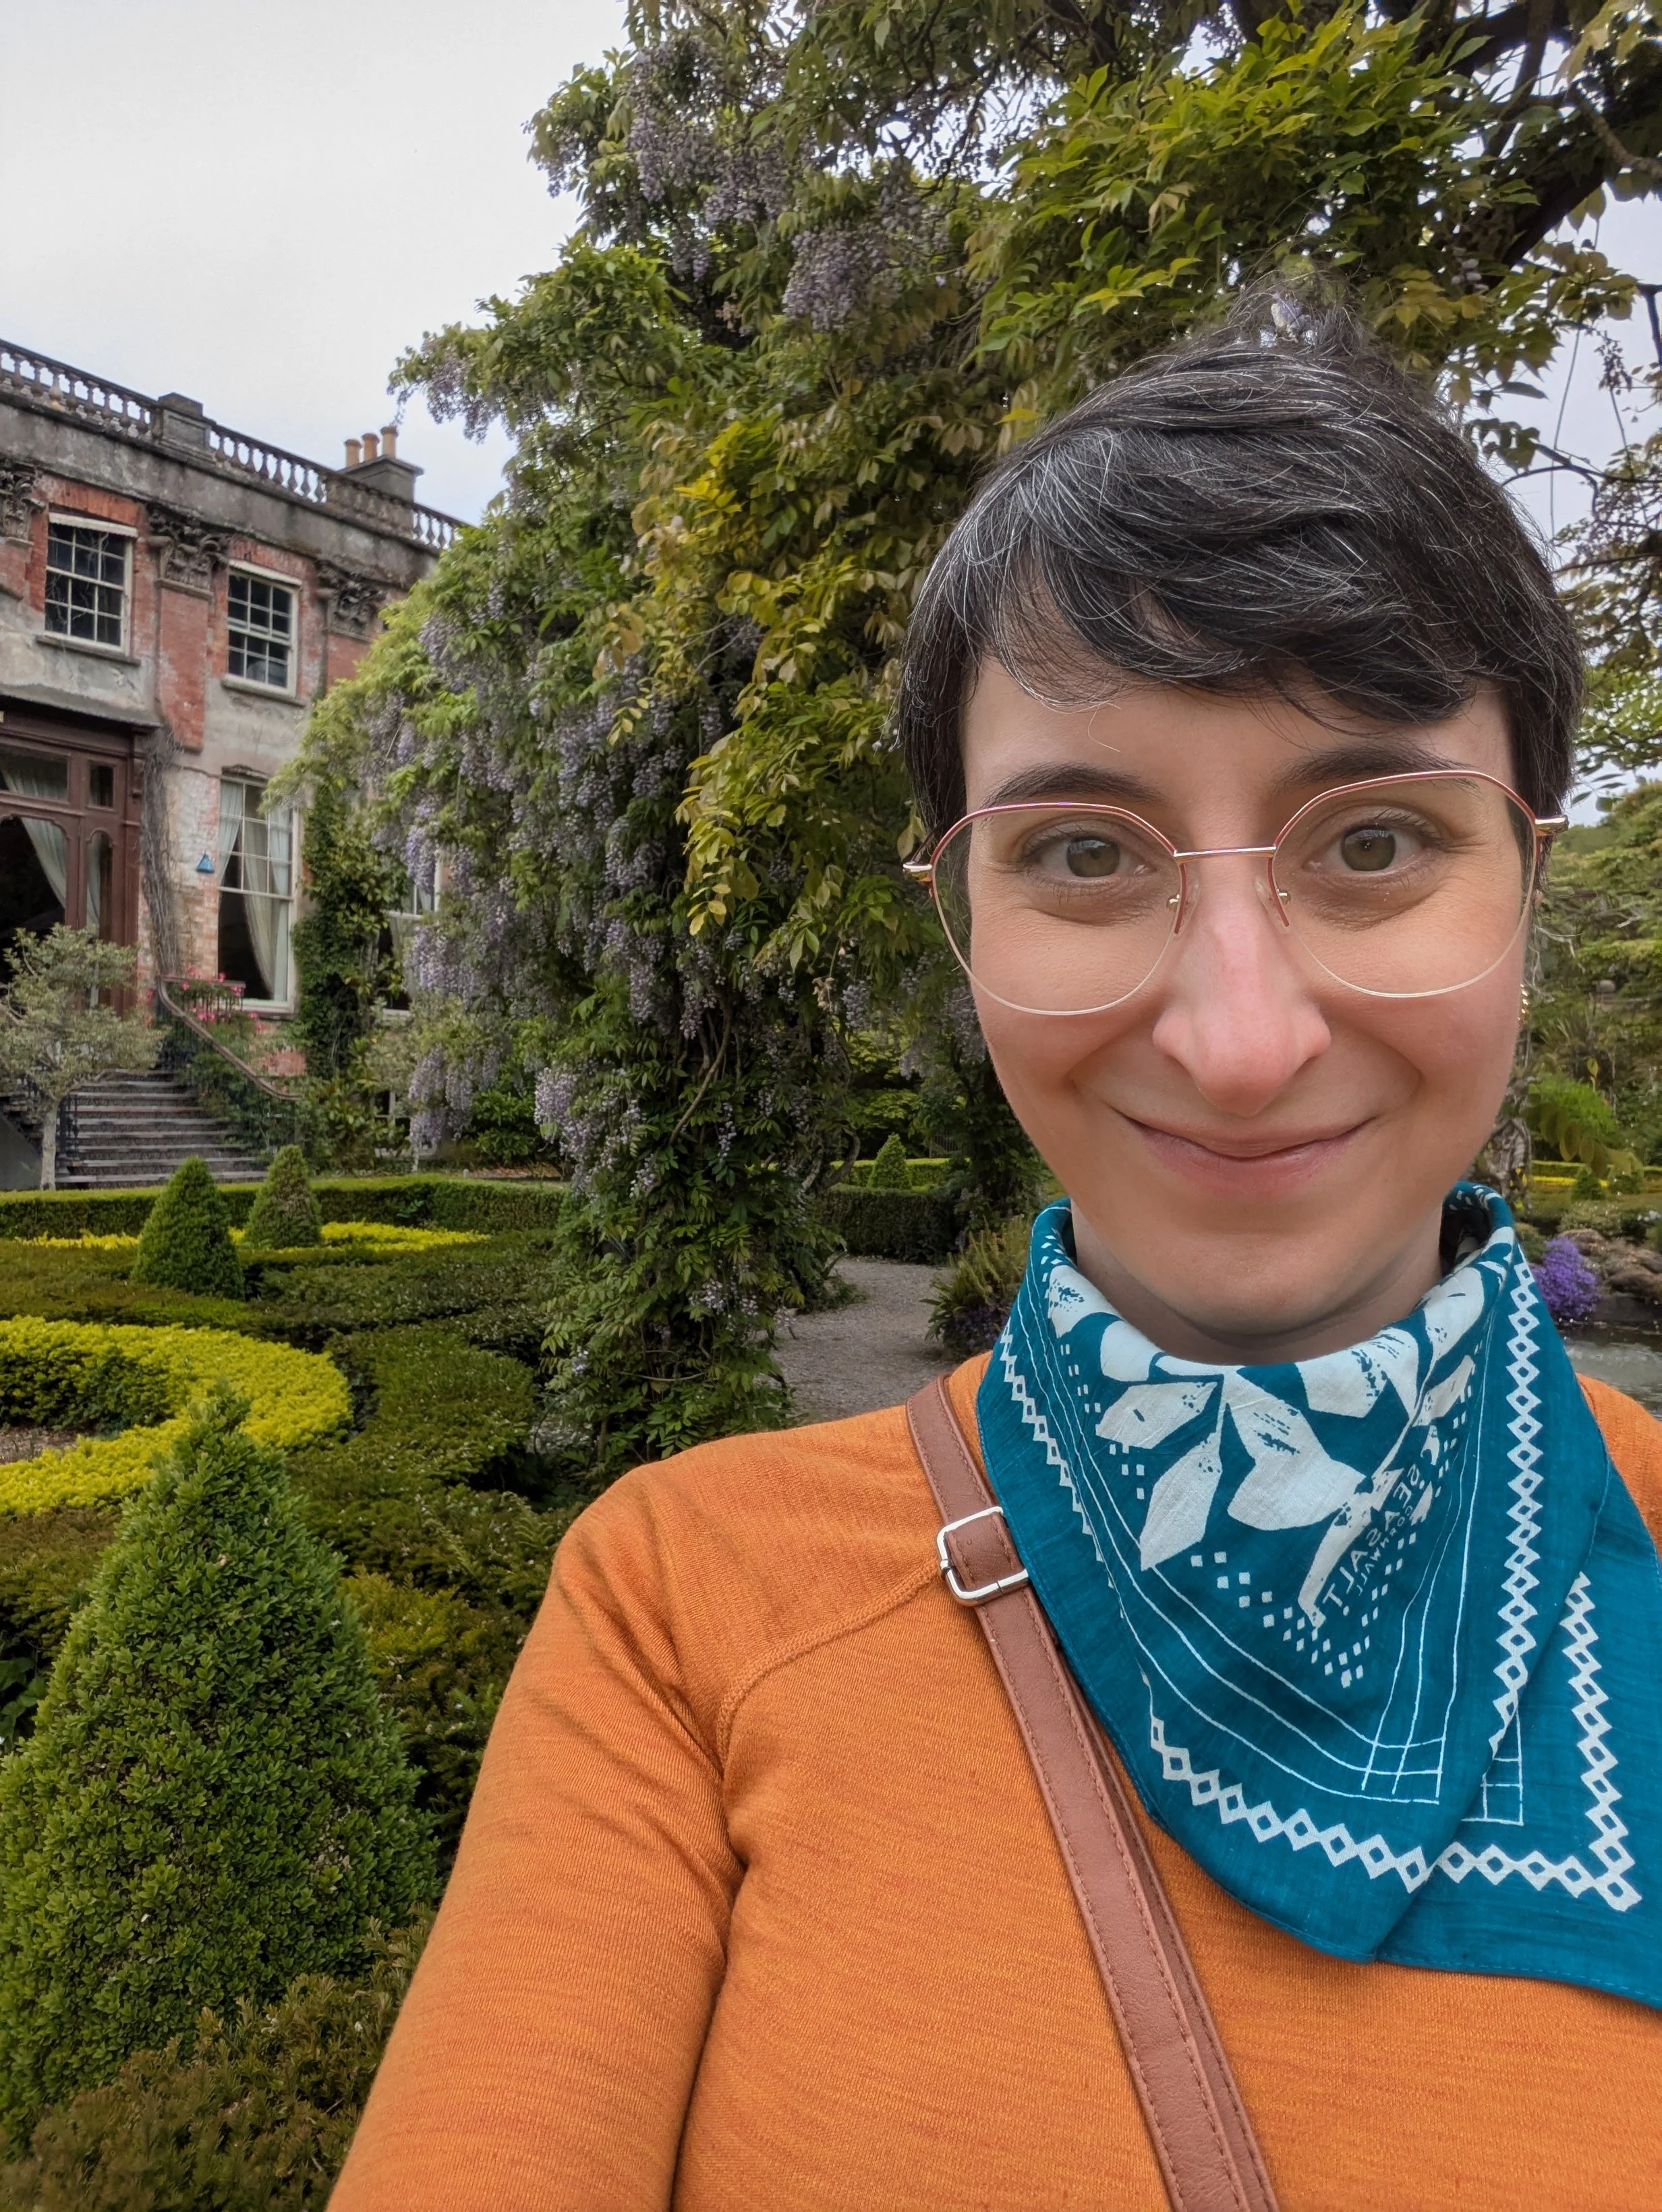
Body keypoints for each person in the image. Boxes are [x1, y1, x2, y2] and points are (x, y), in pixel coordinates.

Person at [331, 293, 1661, 2211]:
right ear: (965, 919)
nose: (1239, 1036)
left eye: (1374, 842)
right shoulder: (684, 1615)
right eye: (1087, 856)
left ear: (1530, 880)